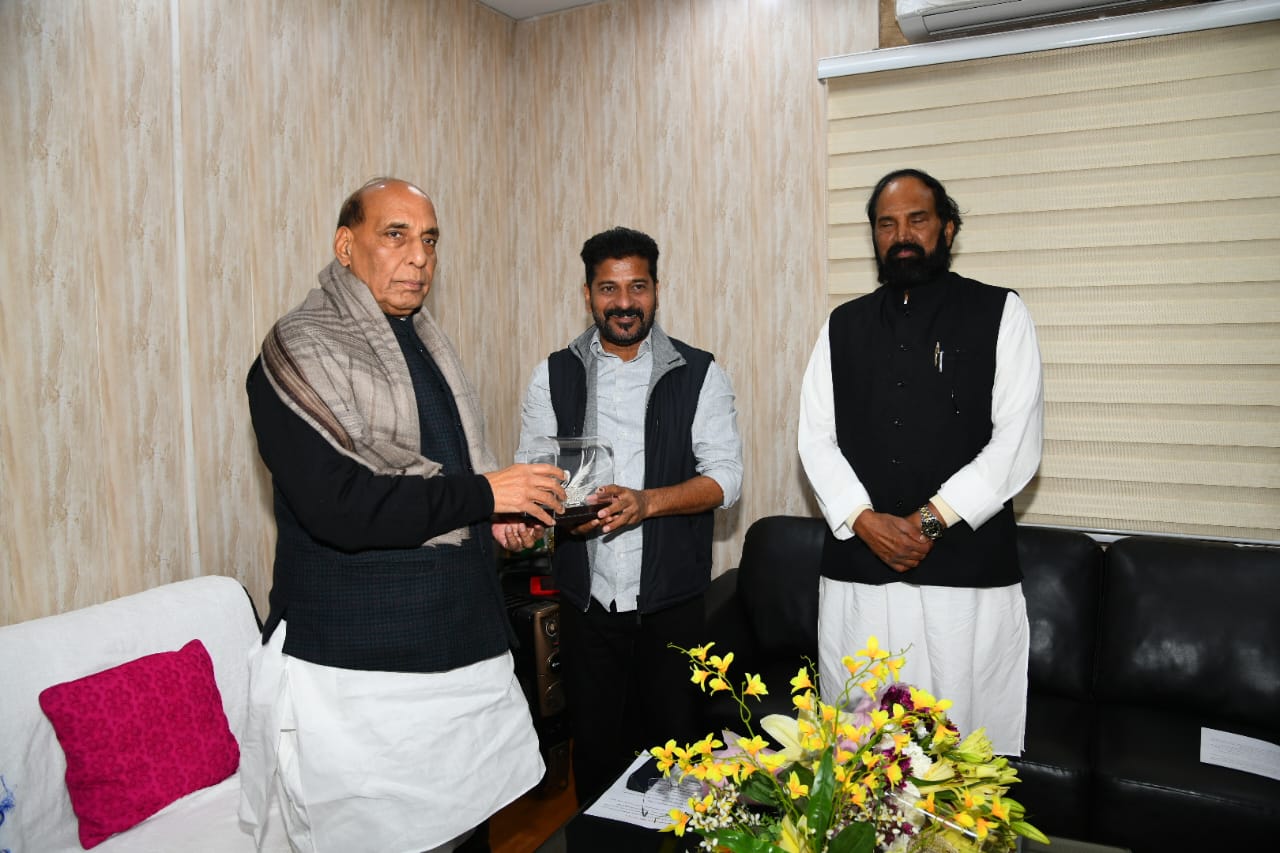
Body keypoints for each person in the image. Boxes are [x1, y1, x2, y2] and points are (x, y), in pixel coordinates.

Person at [238, 177, 569, 853]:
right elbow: (342, 507)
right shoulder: (298, 348)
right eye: (396, 235)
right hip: (361, 674)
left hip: (459, 649)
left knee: (471, 835)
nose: (419, 256)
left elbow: (446, 483)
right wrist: (486, 495)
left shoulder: (424, 343)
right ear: (346, 246)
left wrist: (495, 520)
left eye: (430, 240)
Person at [797, 168, 1043, 755]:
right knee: (859, 752)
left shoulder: (1000, 312)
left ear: (948, 228)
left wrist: (929, 520)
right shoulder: (841, 326)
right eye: (887, 224)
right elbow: (814, 439)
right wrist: (864, 521)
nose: (902, 235)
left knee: (959, 755)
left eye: (917, 219)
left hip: (964, 579)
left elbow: (1017, 443)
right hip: (861, 575)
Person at [512, 226, 743, 803]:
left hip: (671, 604)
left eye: (637, 286)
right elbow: (535, 475)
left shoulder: (700, 372)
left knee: (679, 762)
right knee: (595, 757)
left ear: (656, 290)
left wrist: (647, 503)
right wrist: (564, 516)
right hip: (587, 604)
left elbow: (727, 479)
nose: (623, 302)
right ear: (588, 294)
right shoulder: (552, 374)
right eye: (608, 288)